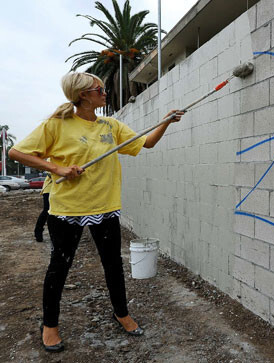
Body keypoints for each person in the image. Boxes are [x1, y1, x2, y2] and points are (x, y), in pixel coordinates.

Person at [9, 72, 184, 353]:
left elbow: (146, 143)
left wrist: (165, 122)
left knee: (113, 264)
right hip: (68, 209)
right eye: (99, 89)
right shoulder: (57, 125)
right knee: (60, 267)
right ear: (83, 95)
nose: (104, 93)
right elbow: (17, 153)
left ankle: (121, 313)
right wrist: (57, 168)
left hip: (105, 208)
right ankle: (50, 325)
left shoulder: (111, 125)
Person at [34, 174, 52, 242]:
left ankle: (54, 234)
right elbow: (50, 173)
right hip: (49, 189)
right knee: (47, 211)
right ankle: (38, 231)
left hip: (60, 190)